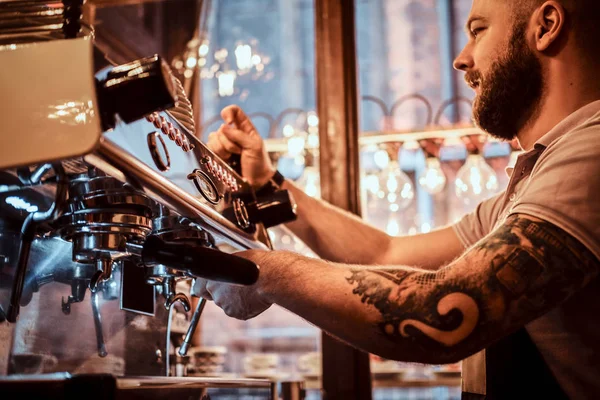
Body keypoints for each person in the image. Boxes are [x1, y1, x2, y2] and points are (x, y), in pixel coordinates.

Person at [193, 0, 600, 398]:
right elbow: (383, 252)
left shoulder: (591, 153)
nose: (461, 59)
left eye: (478, 31)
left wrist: (263, 273)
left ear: (546, 25)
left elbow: (439, 311)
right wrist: (268, 183)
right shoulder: (532, 182)